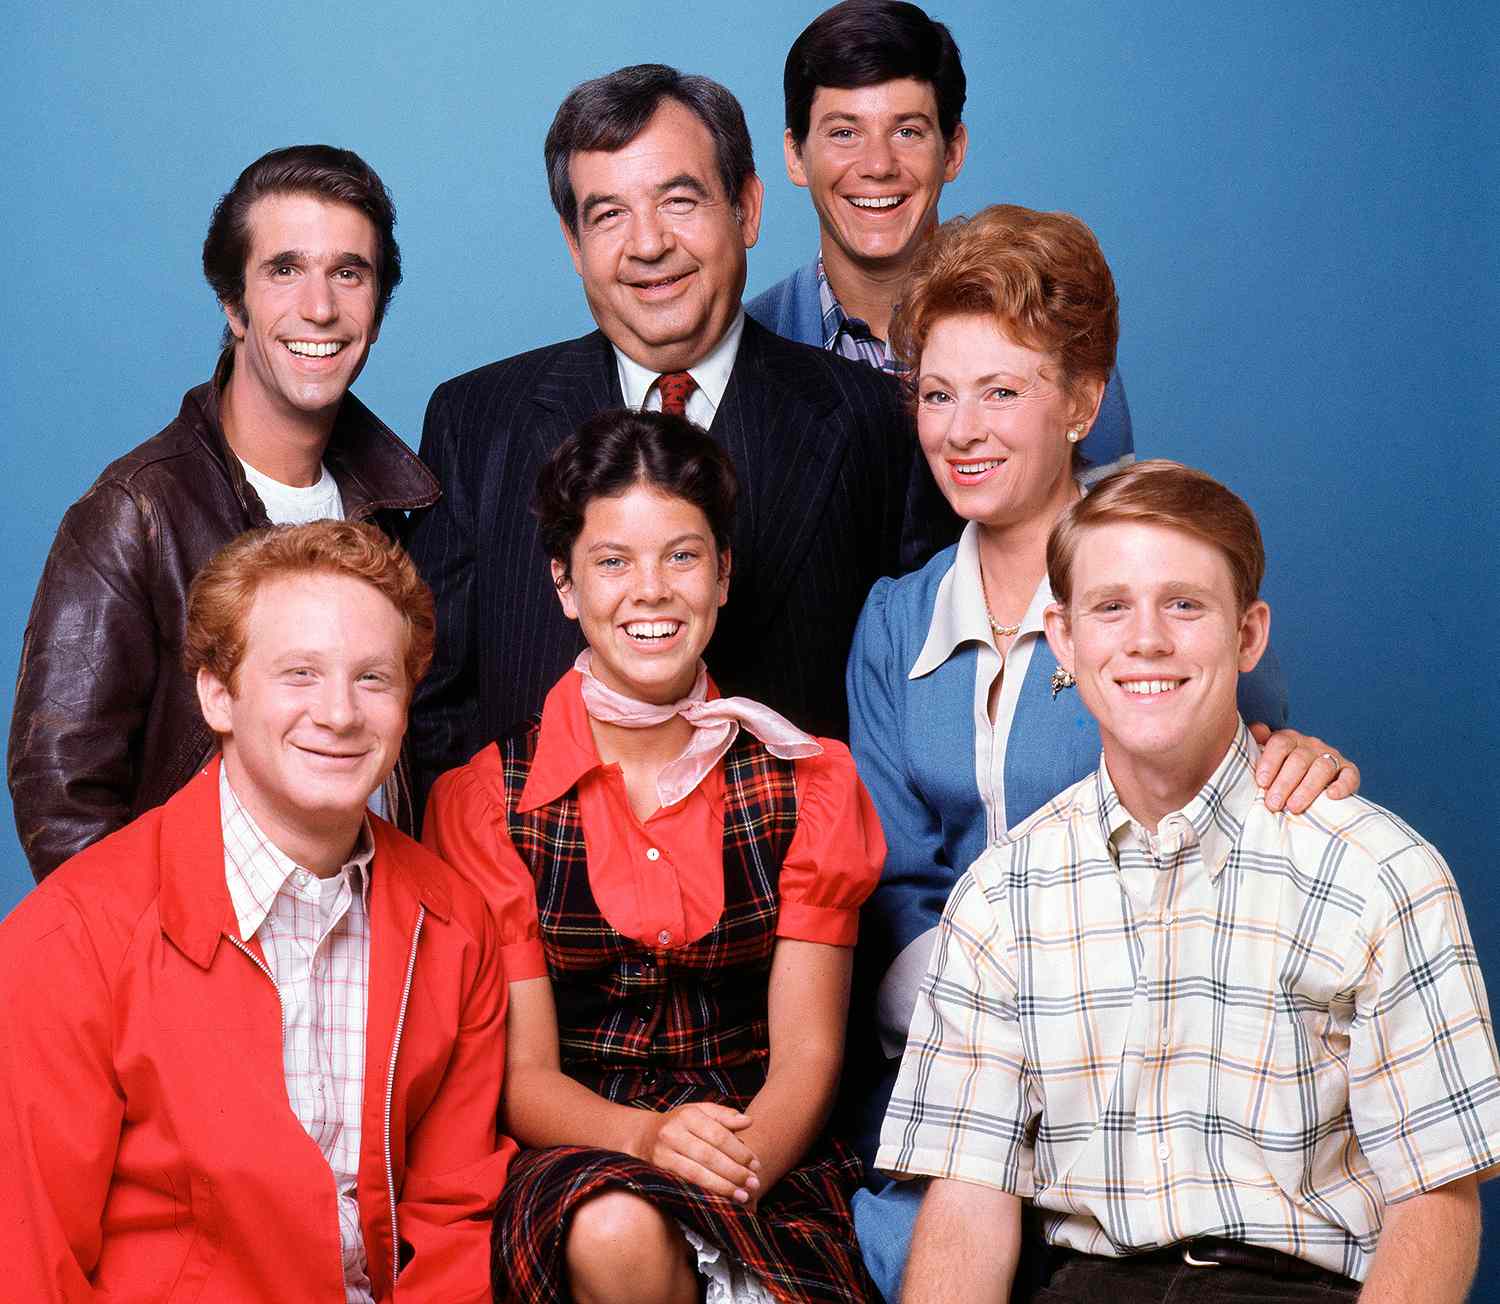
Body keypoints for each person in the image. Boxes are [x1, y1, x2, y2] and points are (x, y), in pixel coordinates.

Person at [844, 205, 1360, 1299]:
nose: (961, 429)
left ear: (1081, 403)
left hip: (1145, 1095)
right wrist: (999, 1033)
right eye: (937, 394)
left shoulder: (1168, 607)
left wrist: (1301, 767)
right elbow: (891, 884)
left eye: (1002, 391)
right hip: (945, 1092)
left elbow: (1237, 838)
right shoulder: (894, 621)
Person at [880, 460, 1498, 1303]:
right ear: (1064, 638)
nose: (1147, 641)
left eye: (1184, 605)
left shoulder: (1378, 873)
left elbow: (1435, 1200)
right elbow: (968, 1202)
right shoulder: (1000, 897)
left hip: (1292, 1290)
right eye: (1111, 607)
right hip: (1087, 1286)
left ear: (1248, 635)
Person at [424, 409, 884, 1304]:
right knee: (616, 1227)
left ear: (723, 576)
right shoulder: (489, 803)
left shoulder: (810, 783)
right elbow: (525, 1079)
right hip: (584, 1147)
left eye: (682, 556)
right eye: (612, 562)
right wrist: (645, 1141)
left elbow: (808, 1055)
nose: (651, 591)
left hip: (761, 1147)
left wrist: (734, 1168)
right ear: (564, 585)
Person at [0, 520, 514, 1303]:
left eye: (373, 678)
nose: (339, 714)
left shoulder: (451, 925)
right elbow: (28, 1262)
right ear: (218, 695)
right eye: (299, 674)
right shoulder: (70, 939)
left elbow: (454, 1222)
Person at [406, 63, 925, 813]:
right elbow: (433, 709)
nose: (647, 244)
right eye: (608, 215)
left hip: (796, 870)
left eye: (679, 201)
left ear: (747, 208)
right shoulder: (476, 419)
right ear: (573, 242)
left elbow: (912, 695)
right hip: (535, 871)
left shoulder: (876, 418)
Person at [9, 144, 437, 879]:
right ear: (233, 304)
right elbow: (63, 799)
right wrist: (160, 944)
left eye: (348, 273)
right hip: (203, 936)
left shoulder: (398, 509)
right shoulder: (135, 513)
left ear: (377, 308)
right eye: (284, 270)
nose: (320, 308)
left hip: (372, 926)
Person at [748, 0, 1131, 481]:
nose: (878, 165)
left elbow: (1101, 516)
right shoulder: (747, 350)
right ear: (796, 156)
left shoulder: (1053, 327)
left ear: (952, 151)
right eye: (844, 133)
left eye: (907, 131)